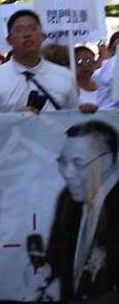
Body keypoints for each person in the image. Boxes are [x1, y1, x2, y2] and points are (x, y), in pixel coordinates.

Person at [47, 120, 119, 302]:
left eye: (78, 164)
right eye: (63, 162)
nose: (68, 173)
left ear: (106, 162)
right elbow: (57, 257)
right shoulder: (68, 199)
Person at [0, 10, 78, 114]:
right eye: (19, 30)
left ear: (43, 36)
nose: (27, 34)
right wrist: (12, 120)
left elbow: (74, 119)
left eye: (33, 29)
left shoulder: (65, 76)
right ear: (9, 40)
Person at [75, 46, 100, 113]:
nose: (85, 65)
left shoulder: (102, 83)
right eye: (80, 62)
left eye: (89, 61)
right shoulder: (70, 89)